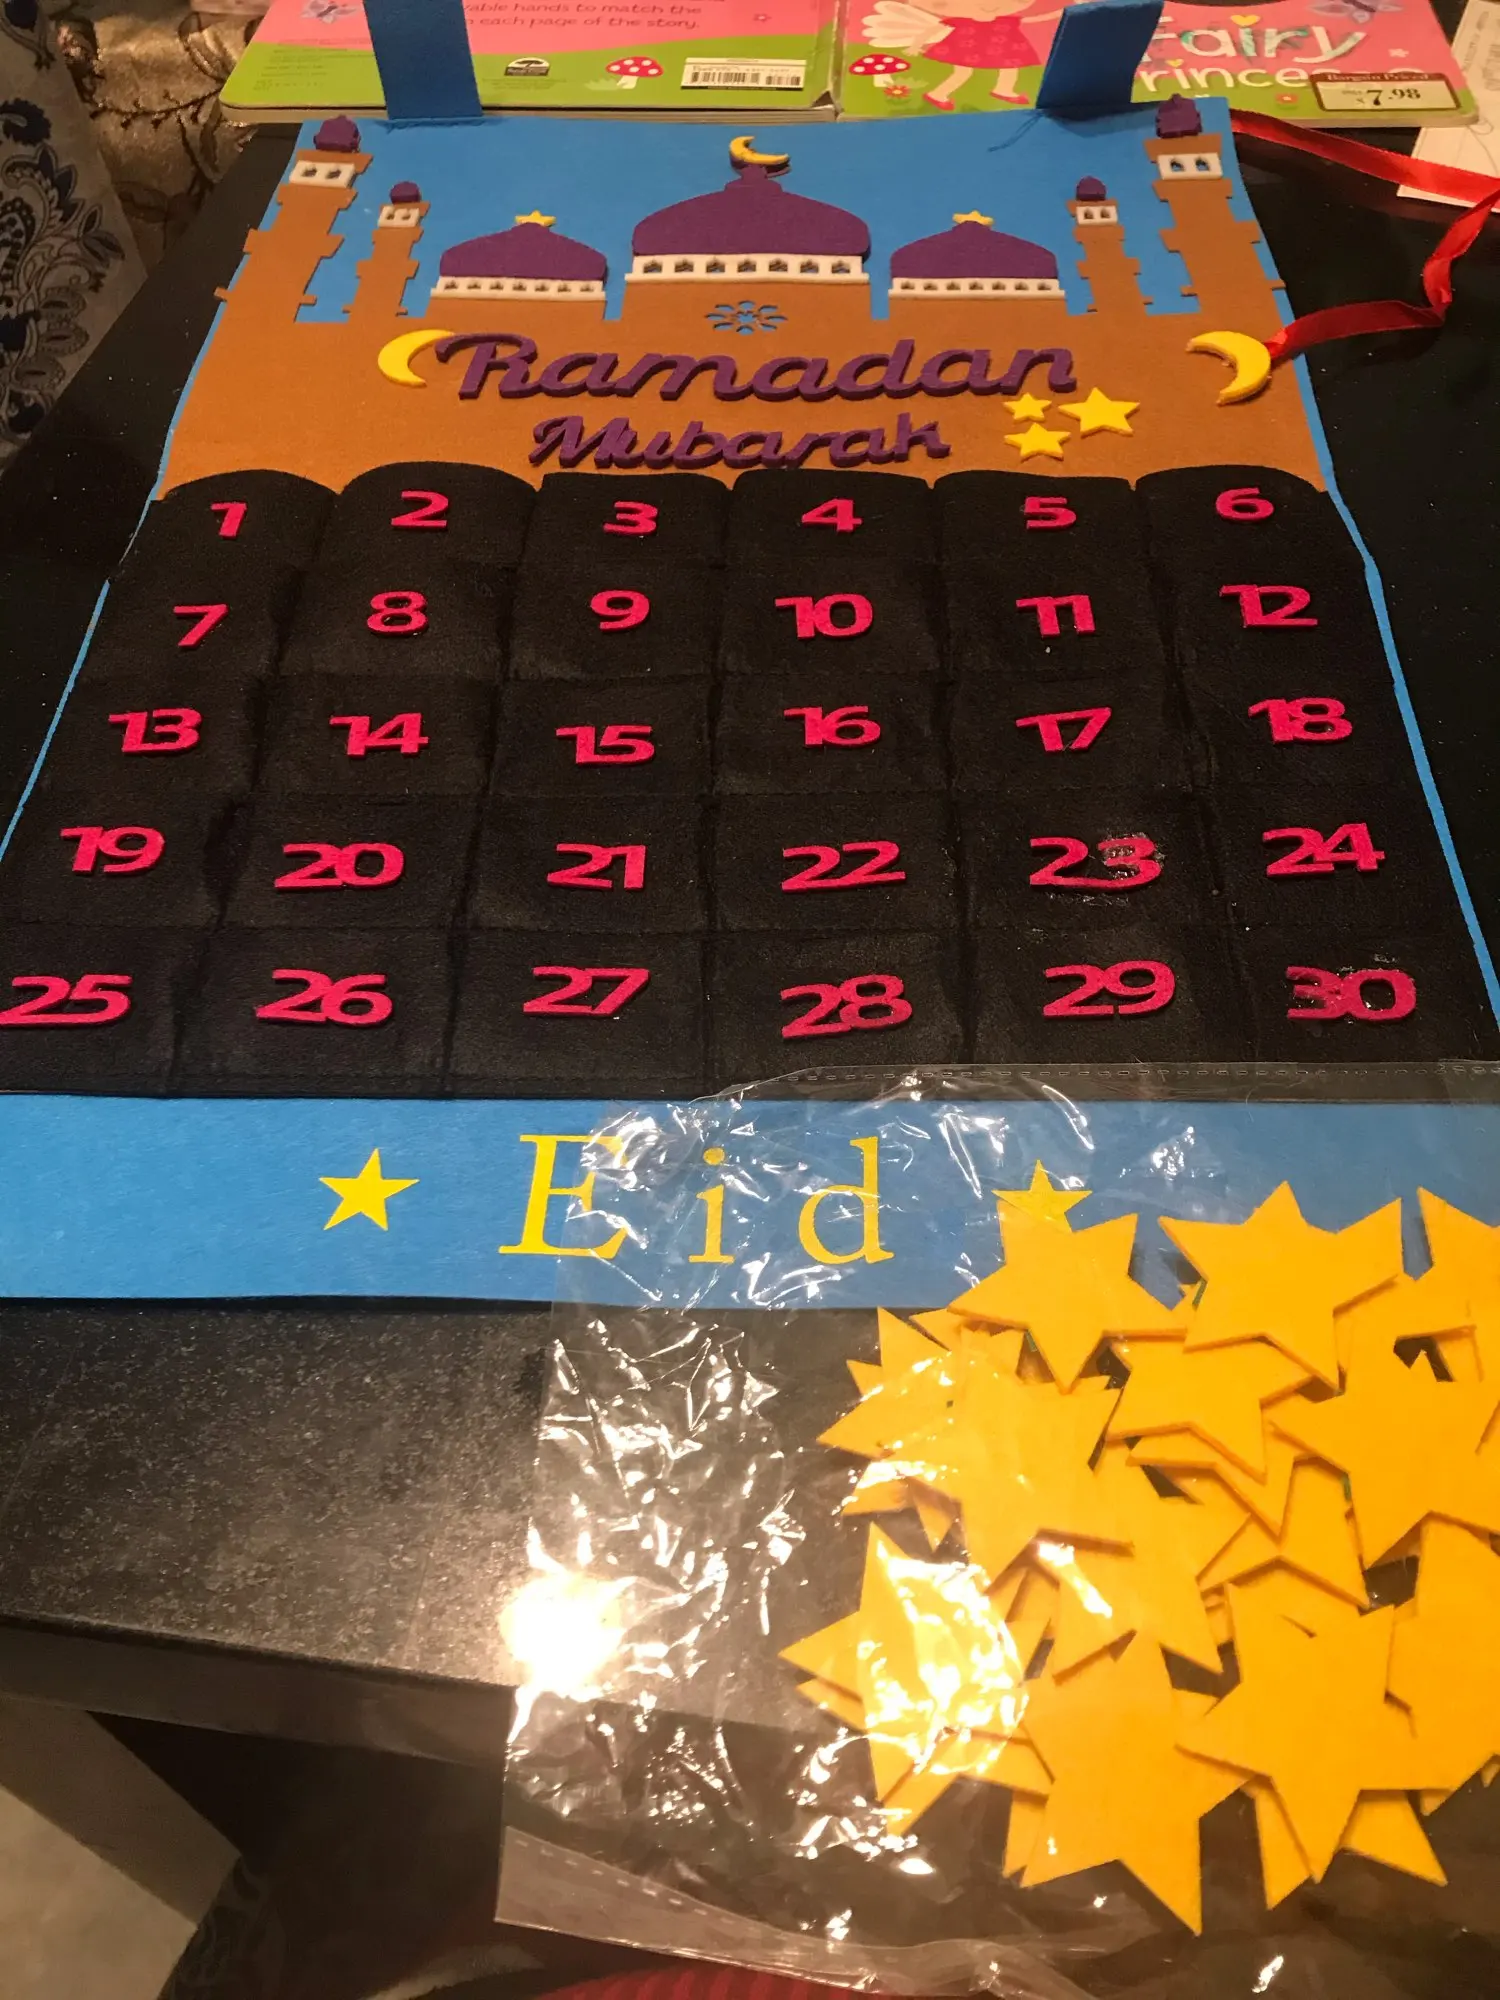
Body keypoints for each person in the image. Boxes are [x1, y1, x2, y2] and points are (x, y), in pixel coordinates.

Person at [862, 0, 1065, 108]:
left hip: (1002, 49)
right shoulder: (957, 20)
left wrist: (1062, 11)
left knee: (1010, 68)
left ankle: (1003, 89)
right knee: (962, 73)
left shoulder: (1007, 19)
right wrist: (916, 45)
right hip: (965, 49)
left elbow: (1037, 18)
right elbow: (931, 30)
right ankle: (937, 94)